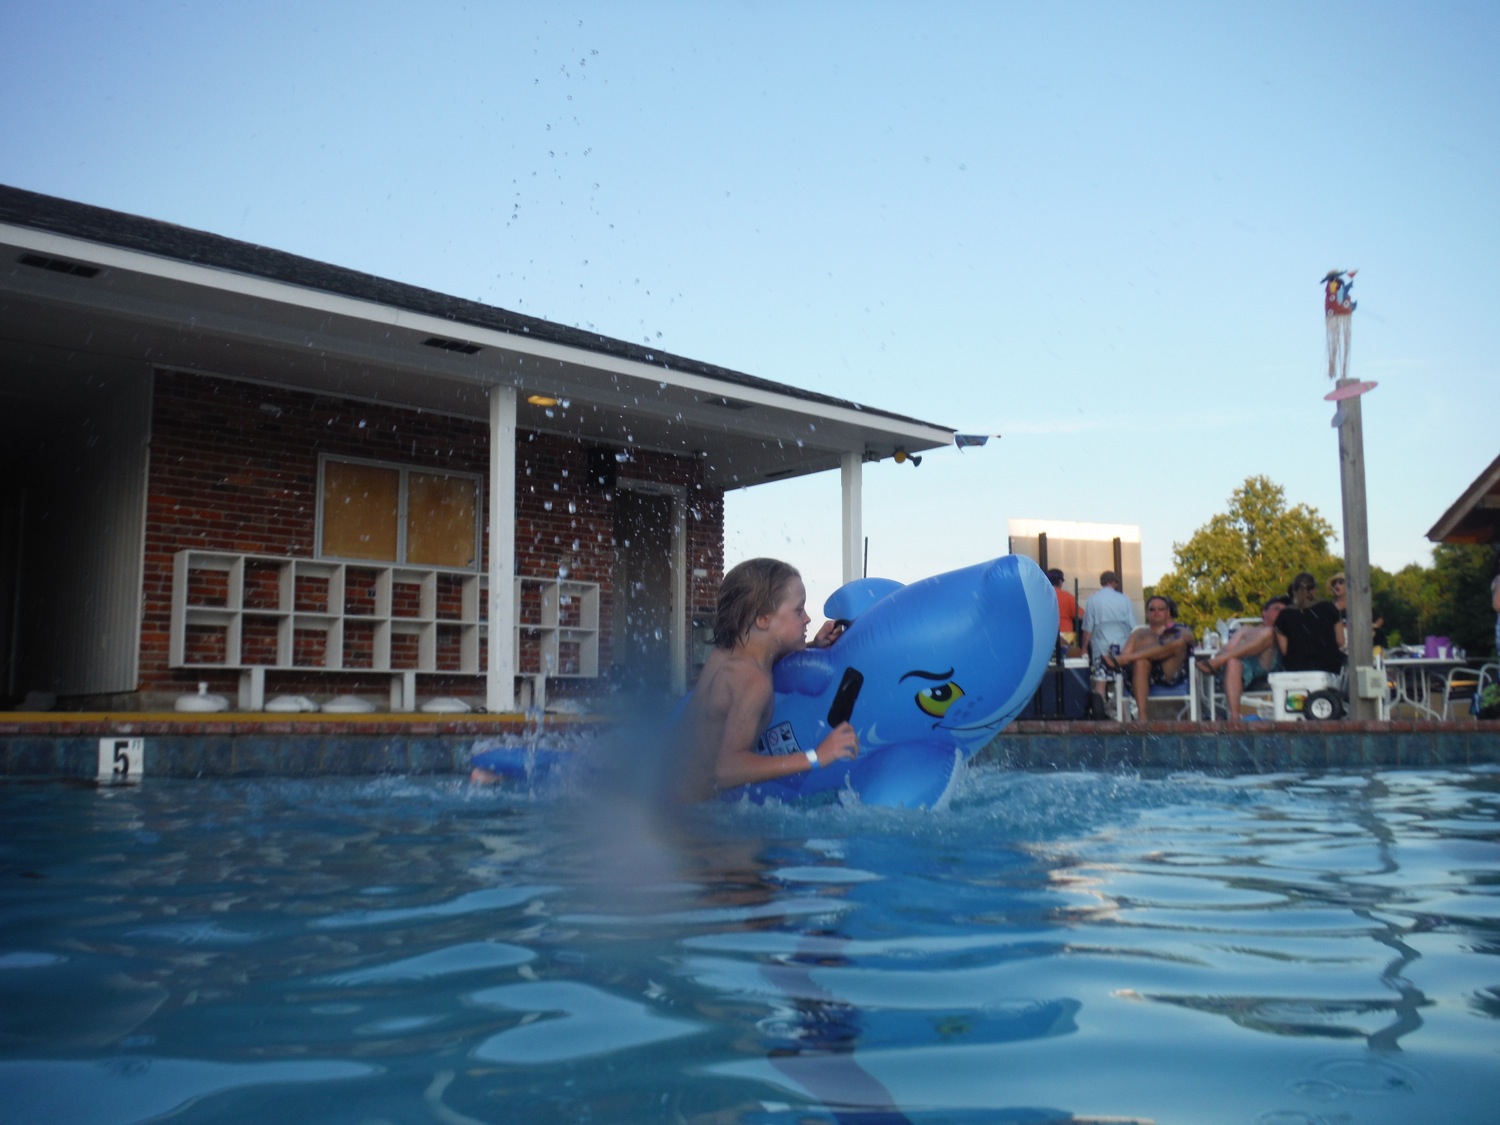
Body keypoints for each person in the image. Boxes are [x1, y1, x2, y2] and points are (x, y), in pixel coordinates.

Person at [674, 558, 859, 802]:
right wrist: (818, 756)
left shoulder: (730, 653)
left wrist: (814, 645)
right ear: (762, 619)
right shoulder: (754, 681)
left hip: (671, 795)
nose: (807, 618)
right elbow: (727, 769)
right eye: (798, 610)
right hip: (693, 812)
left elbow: (771, 653)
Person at [1195, 595, 1288, 718]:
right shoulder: (1245, 629)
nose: (1281, 613)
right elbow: (1227, 649)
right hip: (1244, 668)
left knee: (1270, 632)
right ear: (1264, 612)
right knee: (1232, 662)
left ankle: (1217, 662)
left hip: (1266, 665)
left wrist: (1220, 658)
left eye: (1284, 611)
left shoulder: (1282, 631)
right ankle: (1235, 718)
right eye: (1276, 609)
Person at [1103, 594, 1194, 713]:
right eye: (1152, 609)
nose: (1156, 612)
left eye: (1161, 609)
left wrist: (1128, 657)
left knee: (1178, 642)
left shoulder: (1180, 628)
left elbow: (1189, 637)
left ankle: (1133, 657)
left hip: (1169, 672)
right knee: (1141, 662)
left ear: (1168, 612)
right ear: (1147, 613)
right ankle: (1142, 717)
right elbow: (1123, 659)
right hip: (1142, 673)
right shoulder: (1138, 633)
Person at [1080, 570, 1137, 708]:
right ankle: (1122, 711)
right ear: (1114, 583)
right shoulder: (1124, 599)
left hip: (1100, 646)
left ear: (1102, 583)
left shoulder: (1093, 600)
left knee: (1101, 679)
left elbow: (1088, 629)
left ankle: (1100, 709)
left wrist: (1084, 649)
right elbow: (1133, 626)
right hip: (1123, 646)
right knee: (1121, 679)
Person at [1274, 572, 1345, 674]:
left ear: (1294, 591)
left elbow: (1285, 651)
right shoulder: (1329, 607)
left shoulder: (1284, 615)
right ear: (1314, 589)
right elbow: (1340, 641)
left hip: (1296, 668)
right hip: (1328, 667)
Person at [1048, 568, 1079, 649]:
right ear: (1060, 581)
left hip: (1047, 633)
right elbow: (1080, 615)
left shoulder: (1041, 596)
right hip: (1066, 634)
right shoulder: (1067, 596)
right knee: (1068, 655)